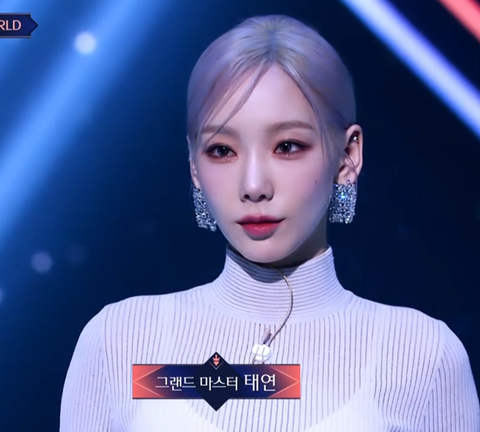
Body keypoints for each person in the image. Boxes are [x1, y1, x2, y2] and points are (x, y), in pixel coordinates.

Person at [59, 14, 480, 432]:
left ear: (348, 156)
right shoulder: (118, 340)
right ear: (193, 164)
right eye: (222, 150)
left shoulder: (423, 355)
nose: (254, 186)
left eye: (287, 146)